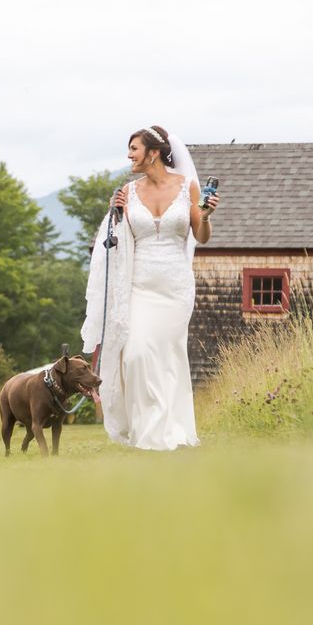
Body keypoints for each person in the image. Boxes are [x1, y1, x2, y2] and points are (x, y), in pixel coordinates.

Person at [81, 125, 219, 450]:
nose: (129, 155)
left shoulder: (188, 187)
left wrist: (207, 215)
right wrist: (114, 215)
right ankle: (147, 432)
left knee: (169, 357)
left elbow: (201, 236)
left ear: (153, 152)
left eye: (134, 149)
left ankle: (172, 430)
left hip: (174, 286)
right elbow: (114, 242)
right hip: (138, 286)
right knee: (137, 356)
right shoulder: (127, 193)